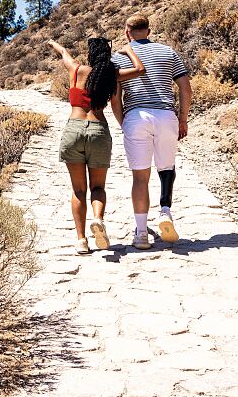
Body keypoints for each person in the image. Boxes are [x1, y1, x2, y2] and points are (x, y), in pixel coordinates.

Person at [49, 37, 146, 254]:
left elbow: (63, 52)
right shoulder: (110, 75)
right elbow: (140, 70)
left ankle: (81, 240)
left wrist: (52, 43)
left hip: (74, 130)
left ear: (90, 54)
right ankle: (98, 219)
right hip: (98, 131)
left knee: (78, 190)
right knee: (98, 188)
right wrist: (129, 51)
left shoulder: (76, 69)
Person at [110, 13, 192, 250]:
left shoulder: (118, 58)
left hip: (136, 116)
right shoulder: (168, 53)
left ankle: (142, 233)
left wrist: (124, 122)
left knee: (140, 177)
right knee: (166, 167)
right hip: (166, 115)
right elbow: (186, 88)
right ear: (148, 31)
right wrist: (182, 119)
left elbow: (115, 98)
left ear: (127, 32)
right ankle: (165, 211)